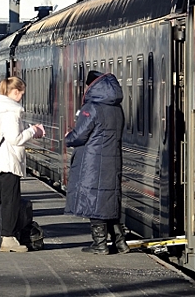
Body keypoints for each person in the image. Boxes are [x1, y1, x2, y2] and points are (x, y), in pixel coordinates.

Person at [0, 76, 44, 252]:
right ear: (14, 92)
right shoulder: (11, 111)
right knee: (10, 199)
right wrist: (33, 131)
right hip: (8, 161)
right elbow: (15, 138)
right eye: (21, 93)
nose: (21, 97)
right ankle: (8, 238)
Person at [64, 71, 129, 255]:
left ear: (92, 86)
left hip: (92, 161)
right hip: (112, 159)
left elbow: (79, 135)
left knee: (95, 201)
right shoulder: (117, 108)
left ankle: (100, 244)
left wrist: (68, 137)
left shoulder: (92, 108)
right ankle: (120, 243)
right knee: (108, 201)